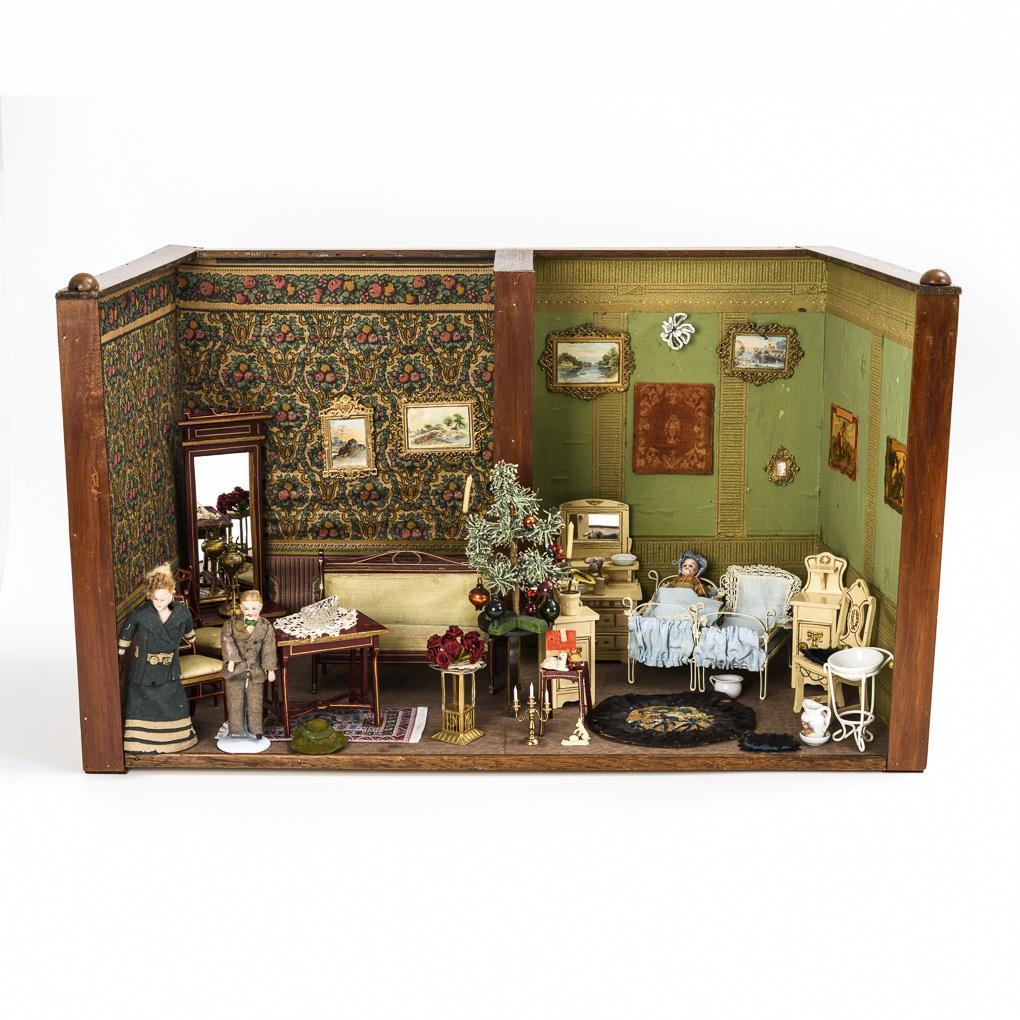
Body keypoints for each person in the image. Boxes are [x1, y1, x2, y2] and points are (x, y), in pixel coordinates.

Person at [117, 564, 198, 754]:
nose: (159, 603)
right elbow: (129, 627)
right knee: (141, 699)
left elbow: (188, 628)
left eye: (163, 599)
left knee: (172, 696)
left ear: (172, 593)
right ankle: (139, 740)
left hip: (168, 667)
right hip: (144, 668)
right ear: (149, 596)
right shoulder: (141, 614)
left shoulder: (181, 613)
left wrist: (191, 636)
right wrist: (122, 646)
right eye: (155, 599)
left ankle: (177, 738)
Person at [220, 590, 277, 739]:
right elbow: (227, 640)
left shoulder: (265, 626)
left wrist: (270, 669)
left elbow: (269, 649)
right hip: (236, 668)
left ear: (260, 607)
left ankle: (256, 730)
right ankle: (236, 730)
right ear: (240, 607)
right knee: (235, 700)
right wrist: (231, 659)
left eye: (253, 608)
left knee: (255, 700)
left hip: (255, 669)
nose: (250, 612)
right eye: (246, 608)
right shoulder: (231, 624)